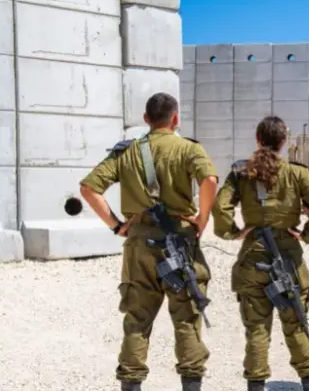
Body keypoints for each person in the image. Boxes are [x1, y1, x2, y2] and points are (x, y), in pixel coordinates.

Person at [79, 92, 219, 391]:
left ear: (146, 119)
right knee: (186, 318)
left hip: (139, 244)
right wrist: (203, 218)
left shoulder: (127, 152)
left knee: (137, 320)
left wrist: (117, 226)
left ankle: (131, 384)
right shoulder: (188, 148)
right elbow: (209, 180)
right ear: (176, 118)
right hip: (180, 241)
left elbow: (89, 188)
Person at [211, 115, 309, 391]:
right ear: (284, 142)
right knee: (296, 325)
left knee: (257, 330)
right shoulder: (298, 173)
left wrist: (233, 232)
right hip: (288, 258)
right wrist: (307, 234)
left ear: (257, 140)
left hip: (253, 257)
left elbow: (220, 207)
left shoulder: (241, 173)